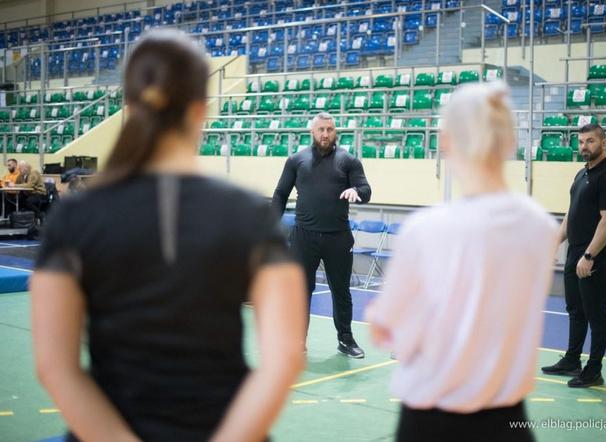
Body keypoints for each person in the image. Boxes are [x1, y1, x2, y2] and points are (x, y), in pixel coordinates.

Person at [30, 29, 307, 442]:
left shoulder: (74, 215)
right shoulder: (249, 213)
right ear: (201, 110)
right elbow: (284, 358)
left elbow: (56, 366)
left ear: (129, 105)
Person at [367, 82, 559, 441]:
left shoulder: (424, 230)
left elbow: (390, 329)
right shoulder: (542, 227)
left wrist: (379, 319)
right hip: (510, 423)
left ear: (444, 140)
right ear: (511, 141)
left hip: (431, 422)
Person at [272, 112, 371, 358]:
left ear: (335, 131)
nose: (325, 134)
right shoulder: (296, 160)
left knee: (341, 290)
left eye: (329, 129)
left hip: (338, 237)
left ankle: (345, 340)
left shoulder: (349, 161)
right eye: (321, 130)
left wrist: (355, 190)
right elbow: (281, 193)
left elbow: (366, 191)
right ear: (312, 132)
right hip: (304, 237)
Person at [541, 123, 606, 388]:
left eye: (590, 141)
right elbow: (572, 212)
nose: (584, 147)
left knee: (595, 312)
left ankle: (594, 370)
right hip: (575, 251)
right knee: (575, 309)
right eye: (580, 142)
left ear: (604, 143)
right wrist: (555, 242)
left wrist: (589, 256)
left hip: (595, 256)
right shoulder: (582, 174)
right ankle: (571, 360)